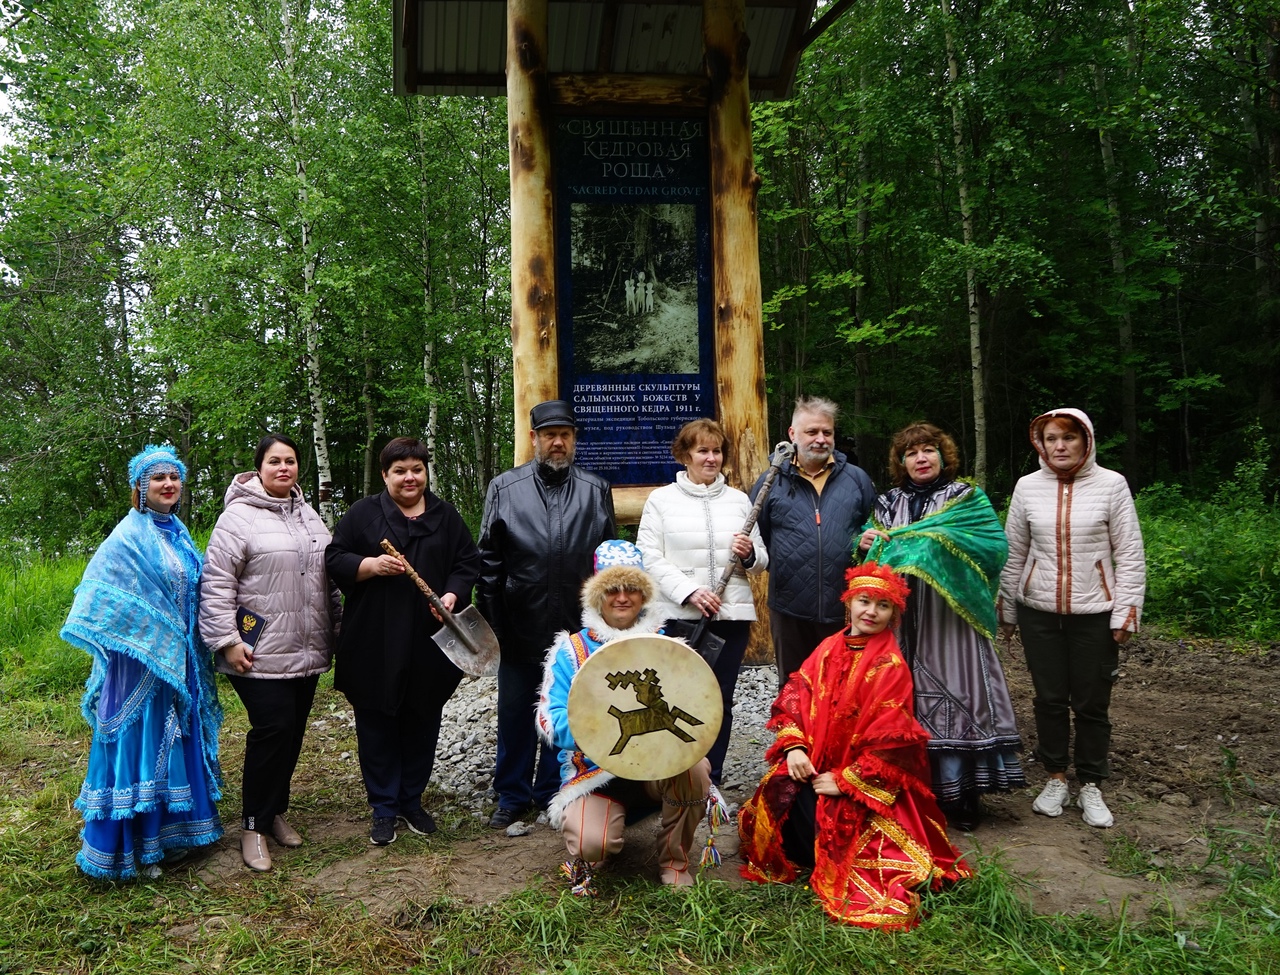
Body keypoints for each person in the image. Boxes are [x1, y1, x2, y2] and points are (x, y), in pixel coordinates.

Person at [737, 562, 971, 929]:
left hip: (859, 779)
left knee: (841, 829)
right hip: (814, 764)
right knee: (777, 793)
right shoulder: (829, 647)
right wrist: (794, 748)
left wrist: (845, 780)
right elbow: (795, 696)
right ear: (849, 603)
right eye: (864, 601)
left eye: (883, 605)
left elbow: (893, 744)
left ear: (894, 613)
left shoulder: (890, 665)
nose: (871, 612)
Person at [62, 445, 223, 880]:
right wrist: (150, 637)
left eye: (174, 477)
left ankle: (174, 836)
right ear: (140, 486)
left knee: (176, 738)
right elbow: (100, 598)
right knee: (148, 742)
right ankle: (136, 845)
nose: (168, 484)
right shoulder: (127, 537)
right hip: (140, 667)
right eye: (158, 478)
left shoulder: (179, 533)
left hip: (180, 660)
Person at [856, 422, 1025, 830]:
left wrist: (929, 548)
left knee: (955, 691)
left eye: (929, 450)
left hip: (951, 616)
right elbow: (868, 545)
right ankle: (908, 792)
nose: (921, 458)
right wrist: (863, 541)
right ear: (901, 461)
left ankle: (962, 795)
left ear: (942, 455)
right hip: (899, 616)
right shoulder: (887, 503)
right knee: (899, 695)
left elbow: (992, 547)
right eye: (911, 453)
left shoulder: (966, 498)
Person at [325, 437, 481, 846]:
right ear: (385, 475)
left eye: (417, 469)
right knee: (376, 721)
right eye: (400, 470)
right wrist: (369, 565)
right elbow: (334, 557)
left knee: (422, 718)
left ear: (426, 473)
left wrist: (452, 594)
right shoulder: (363, 514)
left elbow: (467, 562)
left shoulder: (446, 516)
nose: (409, 477)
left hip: (429, 641)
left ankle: (411, 800)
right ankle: (383, 807)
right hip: (374, 637)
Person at [998, 409, 1146, 829]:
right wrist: (1008, 608)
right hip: (1038, 612)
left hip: (1095, 613)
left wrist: (1126, 612)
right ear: (1039, 444)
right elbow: (1013, 551)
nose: (1059, 446)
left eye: (1068, 438)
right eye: (1050, 438)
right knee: (1048, 698)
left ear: (1086, 441)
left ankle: (1092, 784)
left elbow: (1130, 553)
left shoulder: (1111, 485)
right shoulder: (1028, 487)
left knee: (1092, 702)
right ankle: (1056, 776)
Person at [199, 434, 341, 872]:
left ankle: (275, 810)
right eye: (275, 461)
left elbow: (329, 581)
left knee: (293, 732)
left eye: (291, 461)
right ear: (258, 468)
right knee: (272, 730)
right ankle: (253, 827)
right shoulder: (237, 519)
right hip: (257, 651)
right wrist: (227, 641)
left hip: (306, 647)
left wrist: (337, 631)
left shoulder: (310, 516)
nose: (284, 468)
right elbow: (217, 585)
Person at [536, 540, 711, 892]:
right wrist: (595, 730)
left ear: (643, 595)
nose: (622, 598)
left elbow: (696, 704)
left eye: (631, 589)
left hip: (657, 769)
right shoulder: (572, 650)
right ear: (597, 595)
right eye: (612, 589)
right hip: (595, 774)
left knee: (695, 769)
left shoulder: (668, 648)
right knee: (592, 845)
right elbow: (548, 719)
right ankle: (598, 838)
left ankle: (674, 862)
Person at [477, 400, 616, 829]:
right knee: (516, 710)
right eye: (549, 434)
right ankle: (512, 794)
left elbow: (607, 563)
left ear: (575, 439)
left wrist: (604, 626)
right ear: (534, 438)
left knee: (567, 709)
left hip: (575, 630)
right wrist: (493, 626)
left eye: (566, 434)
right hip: (520, 623)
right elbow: (489, 564)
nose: (558, 442)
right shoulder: (505, 488)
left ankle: (553, 787)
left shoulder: (595, 490)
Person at [636, 418, 767, 800]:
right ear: (685, 454)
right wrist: (690, 591)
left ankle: (712, 772)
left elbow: (762, 560)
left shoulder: (740, 501)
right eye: (702, 450)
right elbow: (650, 556)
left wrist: (749, 555)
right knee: (677, 694)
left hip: (731, 616)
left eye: (716, 451)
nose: (711, 458)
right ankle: (675, 769)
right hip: (680, 616)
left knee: (720, 695)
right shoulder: (662, 500)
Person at [750, 395, 876, 686]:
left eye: (827, 432)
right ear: (792, 434)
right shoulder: (771, 481)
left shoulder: (856, 479)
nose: (820, 439)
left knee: (841, 686)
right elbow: (761, 535)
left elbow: (874, 528)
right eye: (812, 432)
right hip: (789, 605)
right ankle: (794, 733)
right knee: (794, 686)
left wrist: (862, 546)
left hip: (844, 605)